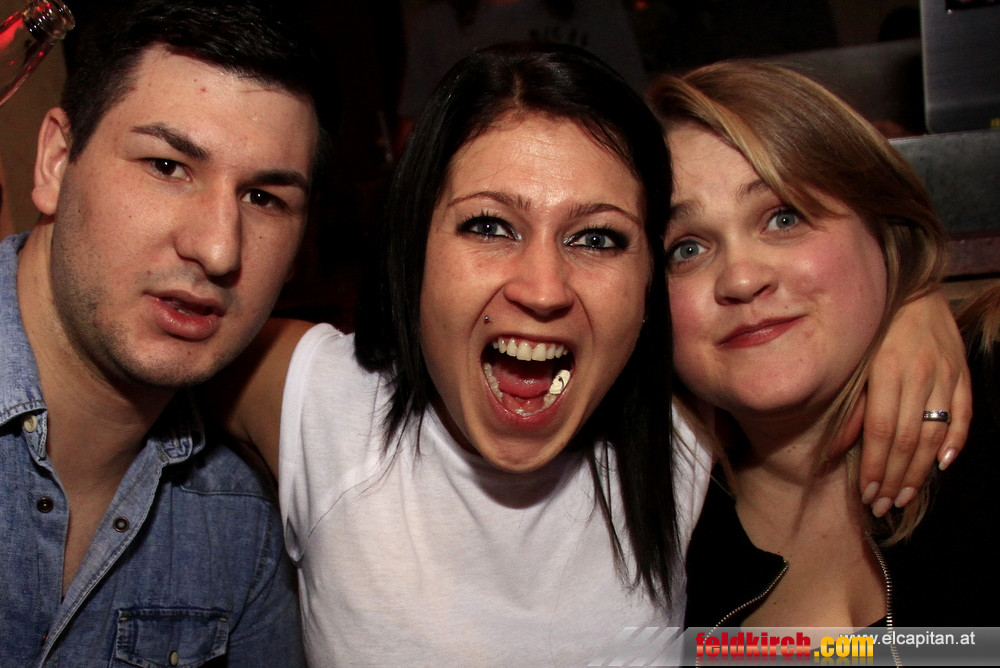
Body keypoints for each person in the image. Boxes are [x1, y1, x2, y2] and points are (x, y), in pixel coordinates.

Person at [215, 43, 969, 664]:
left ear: (642, 294)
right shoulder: (323, 401)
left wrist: (914, 297)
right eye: (489, 226)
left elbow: (910, 650)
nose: (543, 288)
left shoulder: (680, 437)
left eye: (597, 237)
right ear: (412, 249)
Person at [0, 0, 333, 663]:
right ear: (57, 162)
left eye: (264, 198)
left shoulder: (244, 525)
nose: (217, 249)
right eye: (167, 166)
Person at [648, 61, 997, 636]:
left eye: (783, 218)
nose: (741, 278)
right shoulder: (645, 537)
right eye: (685, 249)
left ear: (882, 227)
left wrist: (916, 290)